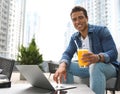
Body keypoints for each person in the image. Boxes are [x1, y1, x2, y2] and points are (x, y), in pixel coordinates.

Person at [53, 6, 119, 94]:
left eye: (80, 18)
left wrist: (98, 57)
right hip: (87, 68)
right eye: (74, 19)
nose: (78, 22)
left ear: (87, 18)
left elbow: (113, 52)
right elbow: (67, 53)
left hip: (108, 67)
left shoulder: (101, 31)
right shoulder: (74, 37)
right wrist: (62, 65)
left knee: (95, 66)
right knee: (66, 66)